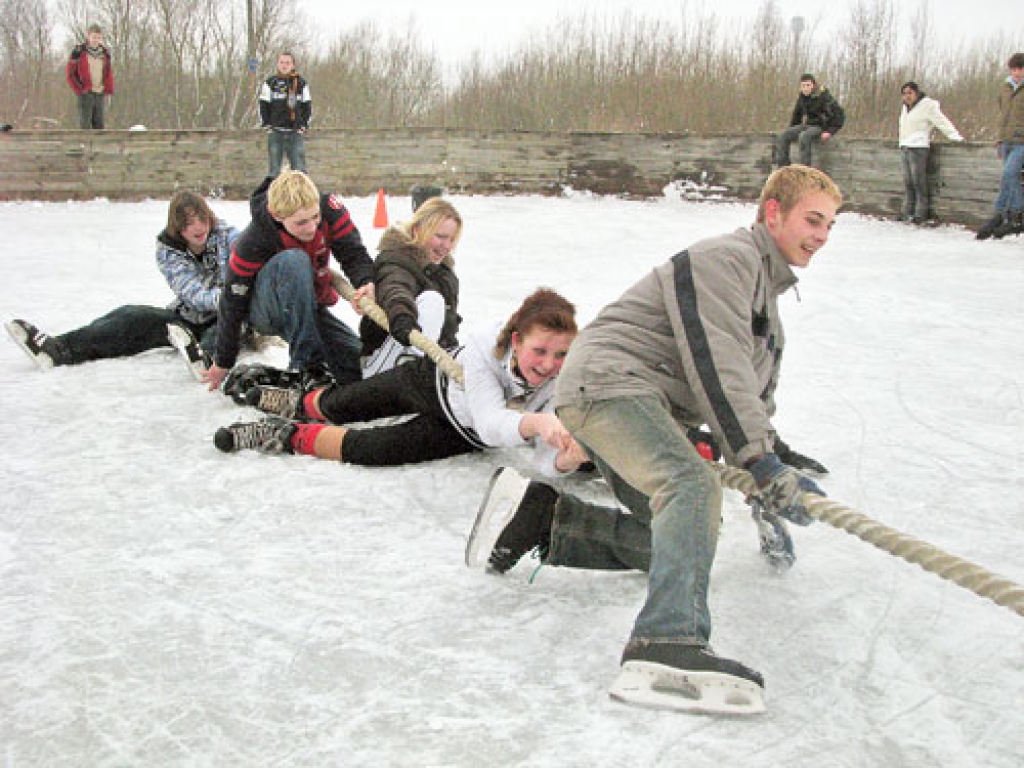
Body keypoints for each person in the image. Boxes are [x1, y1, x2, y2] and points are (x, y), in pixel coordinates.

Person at [465, 165, 842, 716]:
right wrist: (756, 459)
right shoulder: (727, 261)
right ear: (773, 213)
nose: (822, 236)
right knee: (689, 486)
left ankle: (544, 521)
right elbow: (719, 367)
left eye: (831, 225)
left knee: (679, 534)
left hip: (633, 399)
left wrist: (771, 475)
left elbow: (752, 394)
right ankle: (668, 642)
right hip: (610, 385)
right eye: (813, 220)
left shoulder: (768, 302)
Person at [214, 288, 587, 477]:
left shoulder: (563, 380)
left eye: (561, 355)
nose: (549, 364)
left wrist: (566, 459)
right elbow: (493, 423)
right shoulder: (483, 348)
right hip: (431, 382)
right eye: (540, 350)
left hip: (459, 430)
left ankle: (284, 435)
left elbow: (543, 460)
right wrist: (538, 422)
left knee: (373, 448)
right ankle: (296, 402)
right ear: (517, 341)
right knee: (348, 403)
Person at [6, 191, 235, 377]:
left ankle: (207, 360)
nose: (198, 227)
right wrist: (225, 297)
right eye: (189, 222)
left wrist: (234, 300)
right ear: (178, 227)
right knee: (130, 316)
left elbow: (250, 248)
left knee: (225, 327)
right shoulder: (169, 251)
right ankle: (59, 349)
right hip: (189, 317)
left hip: (230, 316)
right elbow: (191, 291)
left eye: (201, 219)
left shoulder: (228, 237)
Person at [202, 170, 375, 392]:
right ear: (276, 216)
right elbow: (232, 300)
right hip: (267, 309)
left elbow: (353, 253)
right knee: (294, 260)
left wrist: (366, 282)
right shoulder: (255, 239)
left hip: (307, 307)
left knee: (358, 365)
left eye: (315, 217)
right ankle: (306, 367)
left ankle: (318, 367)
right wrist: (223, 360)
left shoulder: (330, 211)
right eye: (301, 223)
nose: (312, 228)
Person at [359, 196, 463, 378]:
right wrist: (402, 319)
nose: (446, 246)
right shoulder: (395, 260)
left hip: (429, 360)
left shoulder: (445, 275)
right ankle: (411, 364)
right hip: (385, 360)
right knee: (432, 300)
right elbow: (395, 289)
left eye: (452, 240)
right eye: (440, 237)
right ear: (417, 230)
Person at [897, 81, 964, 226]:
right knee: (908, 182)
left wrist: (954, 135)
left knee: (918, 181)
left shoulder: (927, 106)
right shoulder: (905, 108)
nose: (907, 96)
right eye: (904, 93)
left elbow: (941, 122)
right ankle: (907, 211)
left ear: (916, 93)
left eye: (910, 93)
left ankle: (920, 213)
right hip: (905, 146)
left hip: (918, 147)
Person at [977, 52, 1024, 240]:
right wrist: (999, 139)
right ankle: (1006, 216)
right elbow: (1002, 116)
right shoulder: (1005, 89)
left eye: (1020, 69)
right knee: (1009, 180)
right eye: (1014, 69)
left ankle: (1010, 213)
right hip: (1006, 141)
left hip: (1022, 142)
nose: (1017, 73)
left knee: (1009, 174)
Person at [775, 74, 845, 169]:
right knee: (783, 136)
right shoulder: (802, 97)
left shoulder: (824, 97)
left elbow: (840, 115)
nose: (805, 88)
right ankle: (784, 167)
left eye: (808, 85)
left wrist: (830, 132)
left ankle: (805, 169)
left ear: (813, 85)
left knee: (804, 136)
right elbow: (797, 115)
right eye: (803, 86)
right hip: (808, 125)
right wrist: (792, 131)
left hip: (821, 126)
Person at [259, 52, 311, 178]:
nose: (284, 65)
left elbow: (307, 106)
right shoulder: (270, 82)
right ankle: (272, 196)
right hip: (276, 132)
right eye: (282, 62)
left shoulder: (301, 83)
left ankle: (300, 197)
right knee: (274, 171)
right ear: (277, 64)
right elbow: (263, 104)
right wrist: (267, 125)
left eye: (287, 63)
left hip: (295, 132)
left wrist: (303, 125)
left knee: (299, 171)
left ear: (293, 65)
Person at [66, 23, 114, 130]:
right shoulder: (78, 52)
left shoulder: (105, 53)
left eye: (98, 37)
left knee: (99, 124)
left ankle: (99, 146)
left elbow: (108, 72)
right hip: (85, 92)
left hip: (100, 91)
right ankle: (84, 145)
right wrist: (79, 89)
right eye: (93, 37)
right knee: (85, 124)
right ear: (88, 36)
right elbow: (70, 74)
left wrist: (108, 89)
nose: (95, 40)